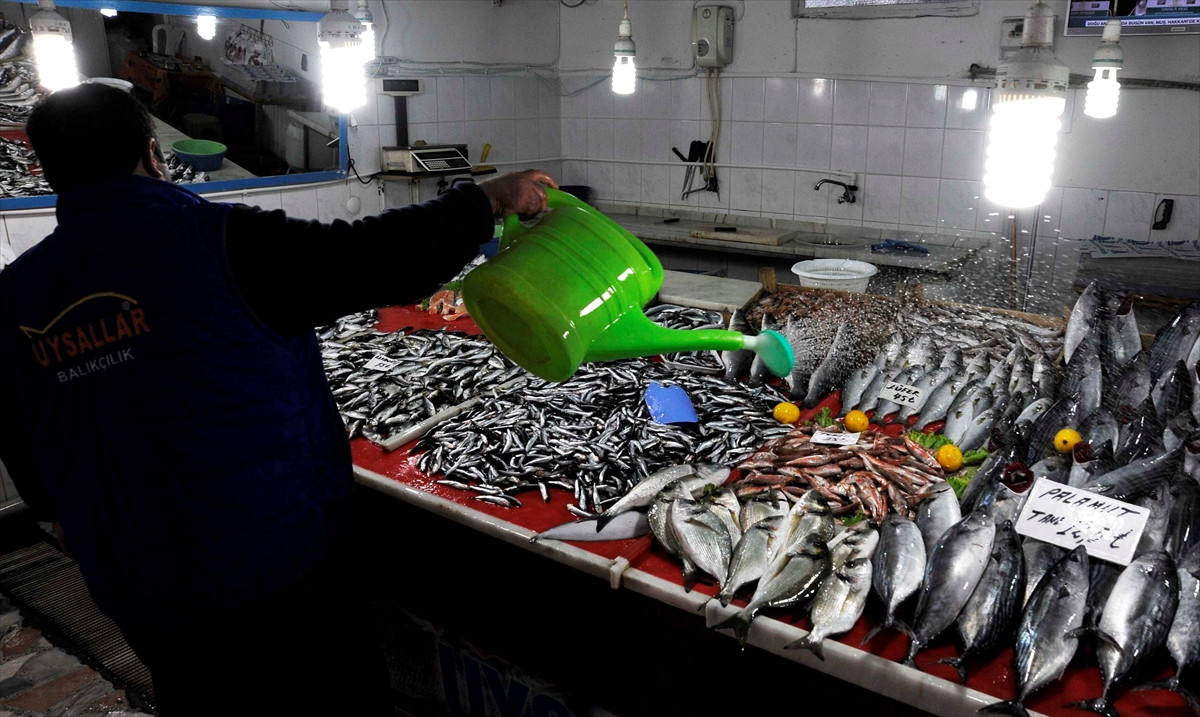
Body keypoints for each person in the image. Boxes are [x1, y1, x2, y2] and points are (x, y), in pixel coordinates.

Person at [0, 83, 555, 716]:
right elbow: (375, 257)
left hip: (137, 584)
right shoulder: (219, 240)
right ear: (153, 155)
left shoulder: (15, 294)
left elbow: (15, 425)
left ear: (48, 171)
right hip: (274, 563)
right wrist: (487, 200)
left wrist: (56, 511)